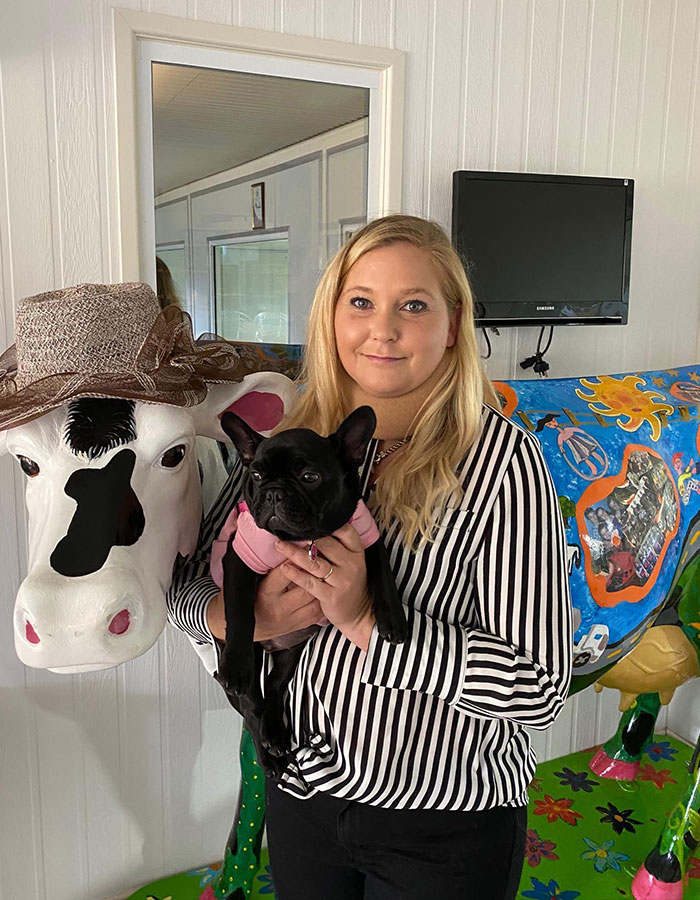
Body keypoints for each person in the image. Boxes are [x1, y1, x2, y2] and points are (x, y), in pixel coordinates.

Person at [168, 215, 572, 900]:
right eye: (361, 302)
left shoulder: (505, 466)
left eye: (413, 305)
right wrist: (245, 619)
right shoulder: (286, 442)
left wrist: (365, 622)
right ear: (332, 316)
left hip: (445, 825)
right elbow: (179, 592)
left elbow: (538, 685)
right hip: (303, 797)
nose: (382, 329)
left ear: (452, 326)